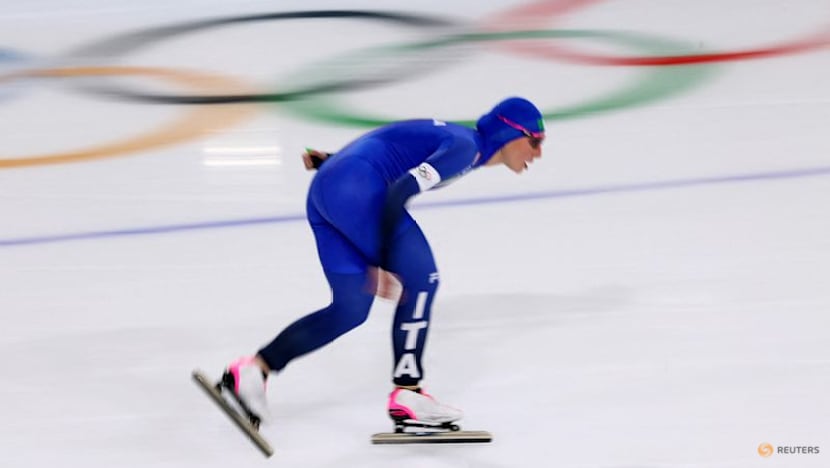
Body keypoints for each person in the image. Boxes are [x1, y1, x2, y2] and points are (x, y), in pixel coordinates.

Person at [220, 96, 545, 429]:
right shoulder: (466, 148)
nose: (538, 153)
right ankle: (408, 392)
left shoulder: (466, 146)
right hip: (354, 190)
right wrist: (384, 257)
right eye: (535, 141)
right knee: (423, 279)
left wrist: (333, 162)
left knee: (350, 309)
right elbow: (398, 191)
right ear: (509, 134)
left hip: (330, 190)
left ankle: (253, 371)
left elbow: (391, 144)